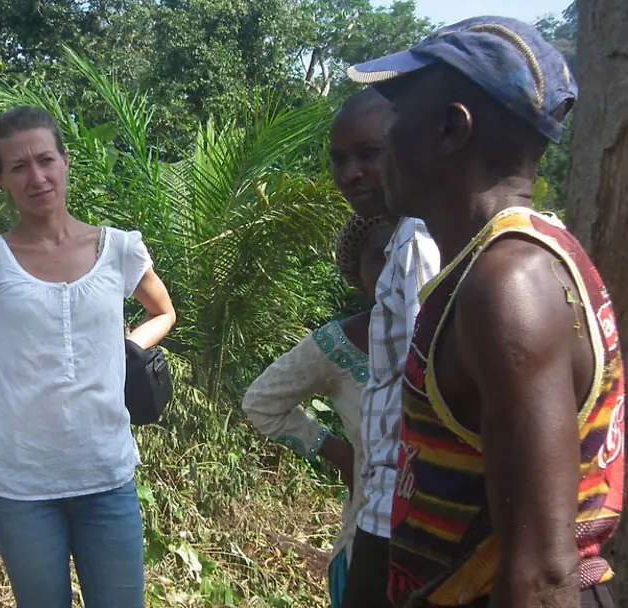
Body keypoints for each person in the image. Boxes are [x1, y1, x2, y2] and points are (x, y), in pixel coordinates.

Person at [348, 15, 623, 608]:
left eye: (397, 117)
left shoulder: (507, 287)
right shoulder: (492, 267)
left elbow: (543, 577)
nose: (383, 144)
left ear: (450, 129)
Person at [0, 106, 176, 608]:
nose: (37, 176)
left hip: (106, 477)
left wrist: (125, 350)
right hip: (21, 484)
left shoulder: (119, 249)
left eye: (46, 159)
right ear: (0, 178)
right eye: (18, 167)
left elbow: (163, 312)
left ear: (66, 161)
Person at [242, 212, 395, 608]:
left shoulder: (458, 331)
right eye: (380, 257)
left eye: (406, 253)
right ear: (356, 273)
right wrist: (341, 454)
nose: (396, 267)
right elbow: (262, 403)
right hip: (371, 546)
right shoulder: (340, 345)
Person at [329, 88, 441, 608]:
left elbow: (427, 378)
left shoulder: (419, 244)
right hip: (385, 497)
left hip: (405, 504)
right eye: (340, 159)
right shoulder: (400, 242)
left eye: (368, 153)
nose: (351, 173)